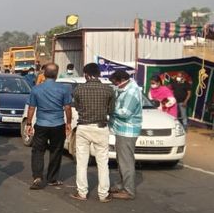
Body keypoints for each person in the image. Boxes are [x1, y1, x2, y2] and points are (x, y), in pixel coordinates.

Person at [70, 63, 115, 202]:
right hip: (101, 128)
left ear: (86, 74)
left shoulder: (79, 89)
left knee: (82, 162)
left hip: (83, 127)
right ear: (99, 74)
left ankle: (82, 193)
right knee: (103, 163)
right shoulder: (108, 90)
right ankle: (103, 194)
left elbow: (77, 106)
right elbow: (111, 110)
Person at [25, 63, 72, 190]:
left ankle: (37, 177)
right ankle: (52, 178)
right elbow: (67, 108)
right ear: (56, 74)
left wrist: (28, 124)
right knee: (56, 151)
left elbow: (31, 108)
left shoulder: (36, 89)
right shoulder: (64, 89)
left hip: (41, 124)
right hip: (58, 124)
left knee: (38, 151)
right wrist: (68, 123)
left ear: (44, 74)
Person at [109, 70, 143, 200]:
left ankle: (128, 190)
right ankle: (121, 185)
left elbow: (125, 113)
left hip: (127, 131)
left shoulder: (131, 91)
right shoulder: (124, 89)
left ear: (122, 80)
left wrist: (109, 109)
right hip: (121, 130)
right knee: (121, 160)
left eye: (116, 83)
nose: (115, 85)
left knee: (126, 161)